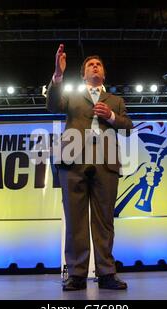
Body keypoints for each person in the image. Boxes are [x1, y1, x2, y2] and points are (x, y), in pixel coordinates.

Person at [46, 44, 133, 291]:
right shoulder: (71, 96)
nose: (94, 67)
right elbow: (52, 105)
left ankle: (106, 274)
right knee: (75, 220)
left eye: (98, 65)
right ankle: (76, 274)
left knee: (104, 221)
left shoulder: (115, 100)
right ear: (83, 75)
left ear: (104, 74)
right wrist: (58, 74)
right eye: (89, 65)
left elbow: (128, 126)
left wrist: (112, 117)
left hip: (106, 162)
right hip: (72, 160)